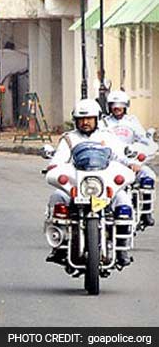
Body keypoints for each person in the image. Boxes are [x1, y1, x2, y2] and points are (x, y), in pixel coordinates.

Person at [47, 99, 139, 267]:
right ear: (75, 120)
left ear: (97, 118)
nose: (85, 122)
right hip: (78, 185)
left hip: (103, 185)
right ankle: (59, 245)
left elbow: (120, 155)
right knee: (57, 197)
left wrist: (130, 163)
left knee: (124, 202)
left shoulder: (107, 137)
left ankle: (122, 249)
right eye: (81, 119)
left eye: (89, 118)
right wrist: (53, 166)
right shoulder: (69, 139)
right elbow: (59, 158)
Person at [102, 90, 156, 227]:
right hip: (111, 162)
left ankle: (146, 213)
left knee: (148, 176)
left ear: (126, 106)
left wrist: (143, 153)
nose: (117, 107)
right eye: (113, 104)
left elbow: (144, 140)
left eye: (120, 104)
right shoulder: (104, 123)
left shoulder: (132, 122)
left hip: (130, 160)